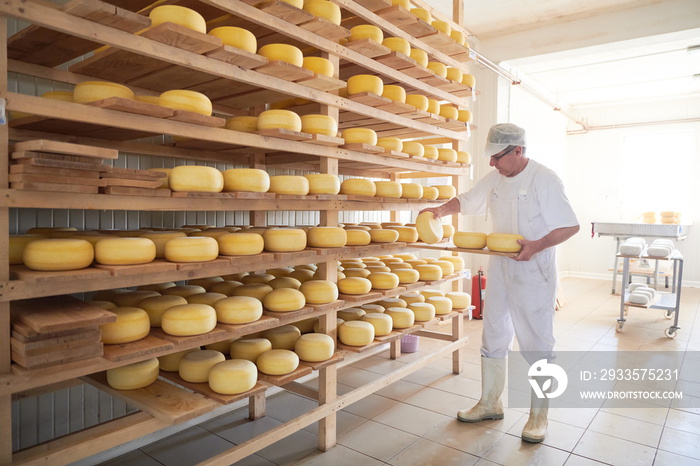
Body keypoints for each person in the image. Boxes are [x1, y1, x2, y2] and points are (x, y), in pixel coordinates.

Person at [420, 123, 579, 443]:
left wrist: (536, 245)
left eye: (496, 157)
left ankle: (538, 415)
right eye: (490, 157)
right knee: (493, 333)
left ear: (518, 151)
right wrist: (439, 210)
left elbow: (570, 226)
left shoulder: (544, 179)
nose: (491, 163)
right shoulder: (494, 179)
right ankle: (490, 402)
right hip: (502, 268)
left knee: (535, 341)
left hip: (534, 270)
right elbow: (465, 200)